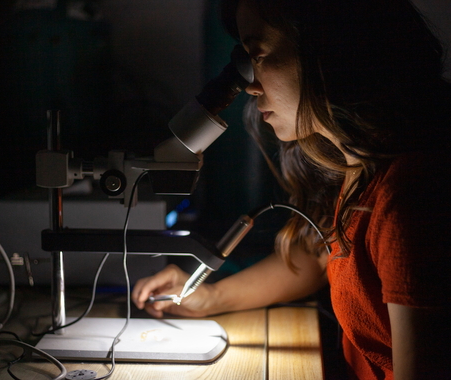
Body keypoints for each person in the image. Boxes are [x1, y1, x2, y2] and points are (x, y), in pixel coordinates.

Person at [132, 0, 451, 378]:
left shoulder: (410, 198)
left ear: (331, 50)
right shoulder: (357, 167)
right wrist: (210, 297)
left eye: (258, 55)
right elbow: (320, 259)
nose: (249, 85)